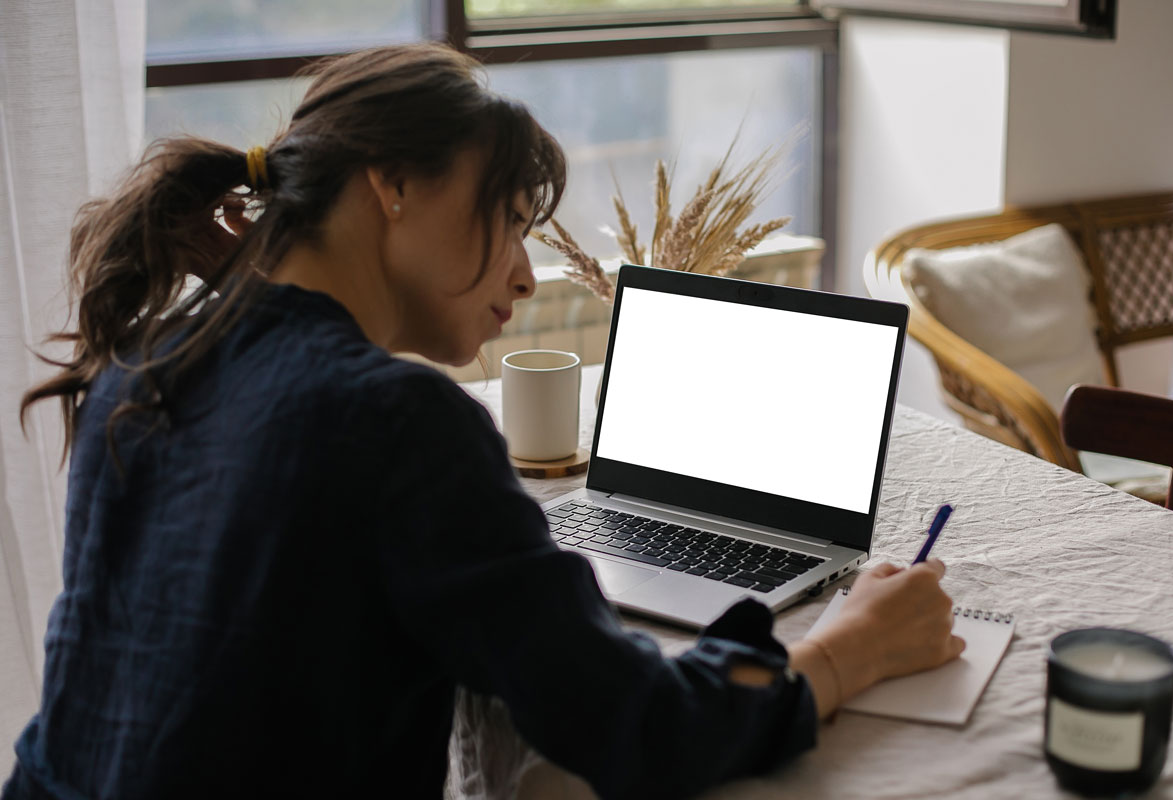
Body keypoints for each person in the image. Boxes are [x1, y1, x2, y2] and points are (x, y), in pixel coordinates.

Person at [1, 43, 964, 800]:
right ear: (393, 185)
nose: (518, 273)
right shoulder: (393, 419)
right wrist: (850, 648)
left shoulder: (145, 359)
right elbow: (636, 729)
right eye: (506, 219)